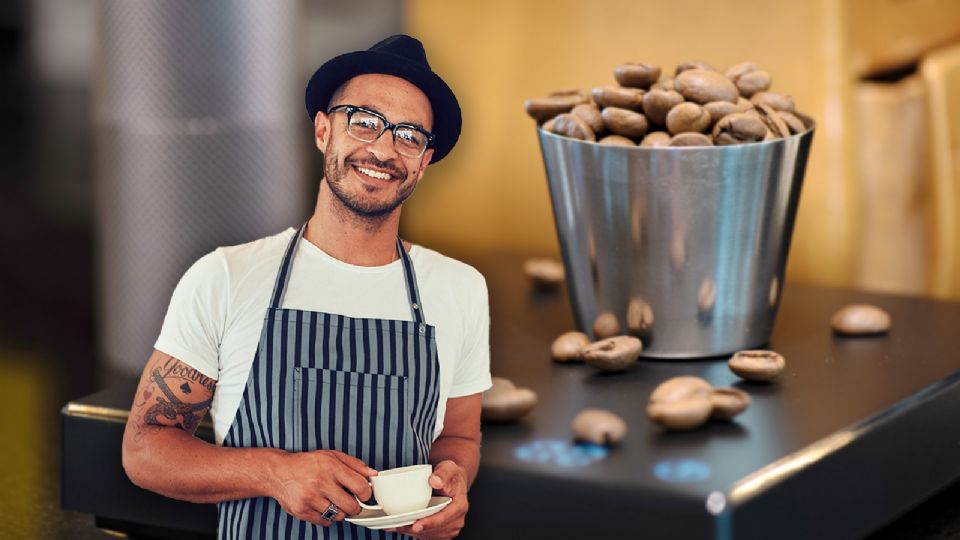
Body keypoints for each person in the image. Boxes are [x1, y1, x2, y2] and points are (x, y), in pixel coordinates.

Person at [121, 34, 491, 540]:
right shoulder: (226, 278)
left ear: (424, 161)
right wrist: (274, 472)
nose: (383, 149)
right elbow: (146, 449)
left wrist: (455, 479)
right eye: (364, 121)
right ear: (323, 130)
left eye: (409, 135)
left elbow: (459, 436)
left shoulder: (460, 289)